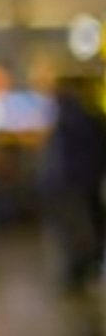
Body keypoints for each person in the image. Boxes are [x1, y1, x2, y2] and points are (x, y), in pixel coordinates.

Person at [45, 76, 106, 293]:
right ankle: (83, 268)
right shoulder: (85, 116)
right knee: (82, 226)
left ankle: (81, 268)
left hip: (74, 183)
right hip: (81, 181)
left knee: (78, 228)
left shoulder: (74, 117)